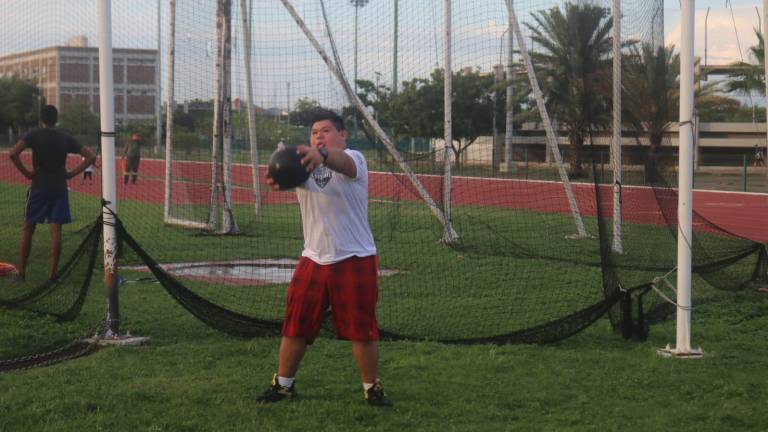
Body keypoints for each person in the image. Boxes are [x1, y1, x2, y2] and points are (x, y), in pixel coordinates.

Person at [257, 111, 392, 407]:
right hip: (314, 257)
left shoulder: (354, 159)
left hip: (355, 255)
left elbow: (339, 161)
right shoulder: (304, 168)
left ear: (342, 135)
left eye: (326, 130)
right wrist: (277, 176)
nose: (319, 135)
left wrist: (322, 154)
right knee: (296, 324)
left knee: (362, 329)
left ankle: (372, 388)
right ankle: (283, 385)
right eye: (314, 132)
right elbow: (283, 178)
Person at [8, 105, 97, 281]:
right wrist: (71, 174)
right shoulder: (65, 137)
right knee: (56, 231)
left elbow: (13, 153)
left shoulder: (33, 134)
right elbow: (91, 156)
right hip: (59, 188)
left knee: (28, 228)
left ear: (42, 119)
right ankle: (53, 275)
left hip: (39, 187)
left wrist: (27, 173)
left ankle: (21, 272)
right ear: (56, 120)